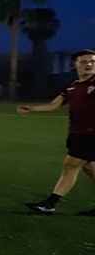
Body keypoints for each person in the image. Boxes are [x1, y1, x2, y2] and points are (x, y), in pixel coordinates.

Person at [20, 49, 95, 215]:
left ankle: (50, 203)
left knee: (71, 165)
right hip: (76, 132)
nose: (88, 64)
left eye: (92, 61)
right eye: (83, 61)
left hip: (91, 134)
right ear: (74, 65)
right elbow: (53, 105)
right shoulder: (71, 86)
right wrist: (31, 108)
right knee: (89, 167)